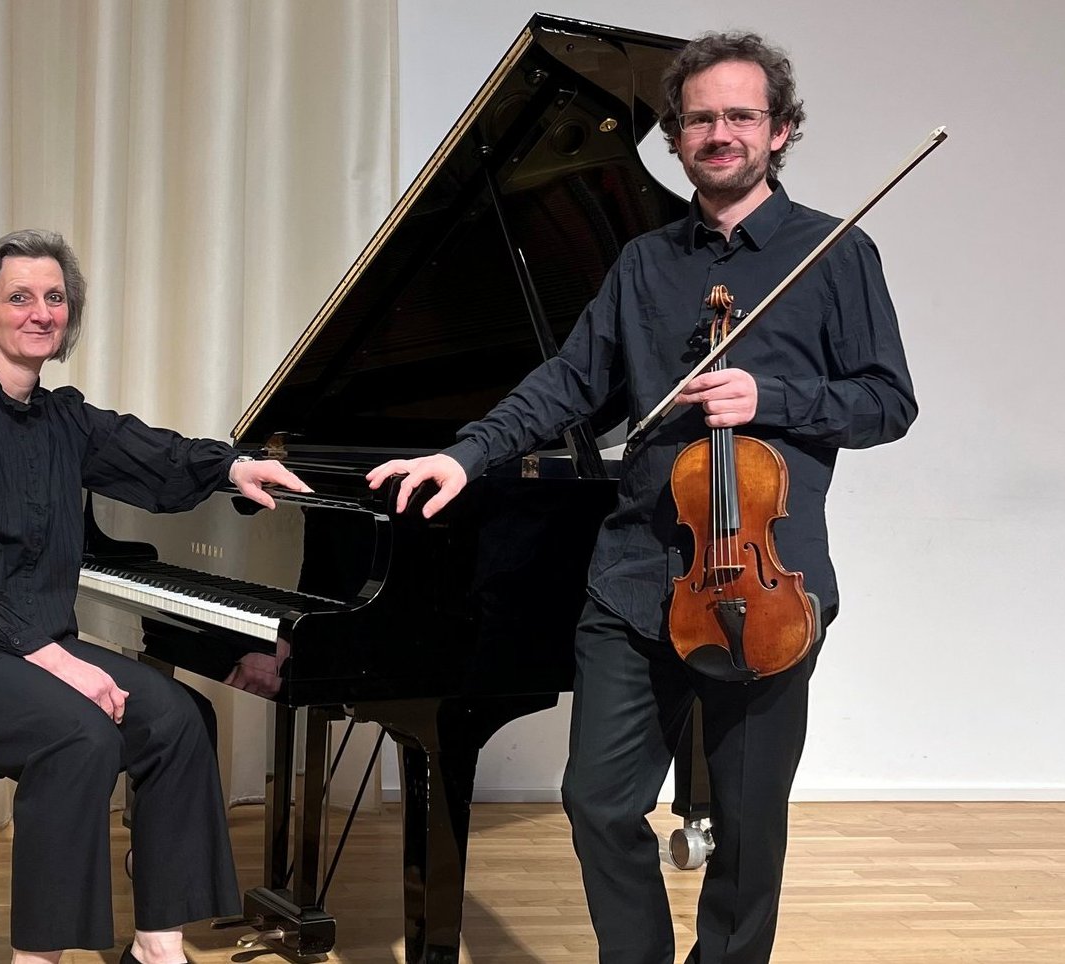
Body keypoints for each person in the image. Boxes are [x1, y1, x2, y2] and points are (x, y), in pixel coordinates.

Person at [366, 32, 916, 964]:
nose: (720, 132)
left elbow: (888, 402)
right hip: (634, 578)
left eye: (741, 116)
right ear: (675, 134)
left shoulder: (835, 251)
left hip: (767, 589)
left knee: (746, 827)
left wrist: (772, 398)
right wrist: (468, 455)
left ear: (780, 131)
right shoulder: (644, 264)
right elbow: (567, 383)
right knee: (597, 801)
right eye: (699, 117)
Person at [0, 229, 311, 964]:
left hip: (22, 639)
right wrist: (59, 662)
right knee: (78, 733)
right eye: (20, 297)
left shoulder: (66, 419)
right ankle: (42, 956)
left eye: (56, 298)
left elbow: (155, 455)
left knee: (178, 717)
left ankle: (158, 947)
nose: (41, 312)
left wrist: (234, 467)